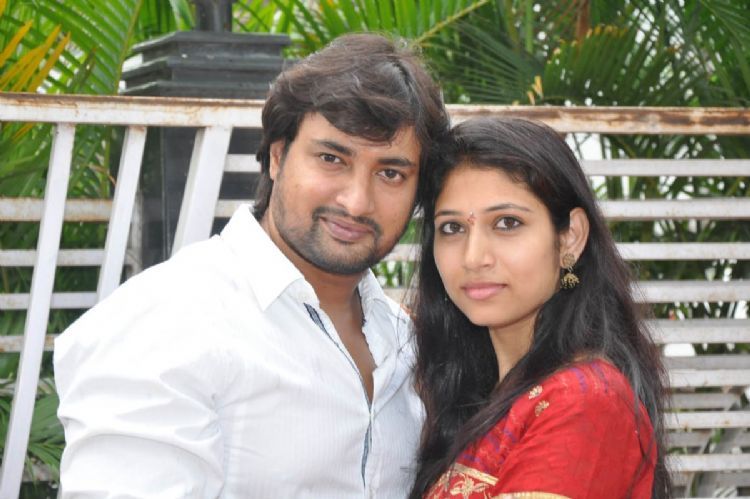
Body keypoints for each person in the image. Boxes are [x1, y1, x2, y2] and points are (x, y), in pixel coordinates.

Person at [54, 33, 450, 498]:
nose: (356, 201)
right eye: (331, 158)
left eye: (390, 173)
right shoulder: (165, 324)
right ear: (278, 156)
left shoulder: (404, 338)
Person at [409, 117, 671, 499]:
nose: (473, 257)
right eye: (452, 228)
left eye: (507, 223)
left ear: (570, 238)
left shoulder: (583, 400)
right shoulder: (475, 390)